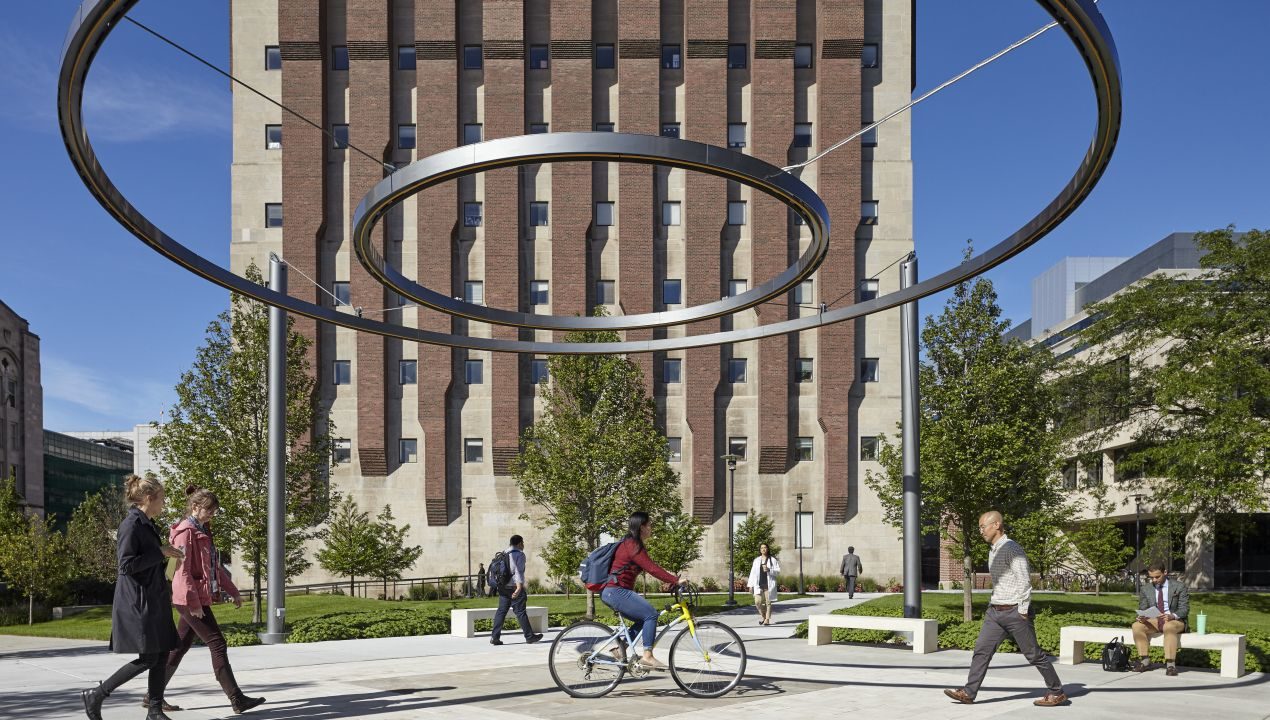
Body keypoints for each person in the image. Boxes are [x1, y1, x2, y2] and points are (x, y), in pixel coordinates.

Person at [81, 474, 184, 720]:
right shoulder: (131, 525)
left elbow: (147, 561)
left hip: (153, 598)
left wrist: (167, 559)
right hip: (138, 602)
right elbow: (126, 566)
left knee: (160, 654)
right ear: (149, 498)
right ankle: (97, 694)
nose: (164, 504)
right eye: (162, 499)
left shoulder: (147, 524)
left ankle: (155, 711)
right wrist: (160, 552)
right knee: (149, 657)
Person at [157, 486, 265, 714]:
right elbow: (181, 571)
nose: (211, 515)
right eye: (209, 510)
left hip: (195, 596)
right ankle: (237, 699)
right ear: (195, 507)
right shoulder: (186, 532)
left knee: (180, 647)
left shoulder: (202, 530)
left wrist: (233, 590)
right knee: (217, 643)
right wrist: (194, 603)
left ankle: (152, 695)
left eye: (214, 511)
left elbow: (213, 567)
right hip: (189, 598)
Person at [944, 511, 1067, 707]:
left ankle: (1057, 691)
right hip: (995, 612)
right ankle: (969, 692)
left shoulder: (1012, 549)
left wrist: (1023, 610)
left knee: (1033, 654)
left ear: (997, 525)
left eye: (983, 526)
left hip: (1014, 611)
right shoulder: (993, 549)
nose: (980, 531)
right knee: (981, 651)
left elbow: (1024, 581)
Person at [600, 512, 684, 670]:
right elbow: (651, 568)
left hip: (614, 591)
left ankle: (620, 650)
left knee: (643, 619)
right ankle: (648, 656)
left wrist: (671, 581)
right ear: (641, 527)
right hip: (616, 591)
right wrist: (675, 580)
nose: (651, 528)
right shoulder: (633, 545)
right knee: (651, 614)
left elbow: (650, 567)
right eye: (649, 525)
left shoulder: (632, 544)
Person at [1131, 562, 1189, 676]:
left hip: (1174, 621)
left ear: (1165, 572)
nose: (1154, 580)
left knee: (1169, 626)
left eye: (1157, 576)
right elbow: (1143, 608)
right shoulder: (1146, 589)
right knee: (1136, 626)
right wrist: (1142, 617)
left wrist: (1172, 616)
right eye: (1151, 577)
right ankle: (1145, 661)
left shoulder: (1179, 586)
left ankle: (1171, 665)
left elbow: (1184, 609)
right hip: (1155, 620)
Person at [489, 535, 543, 646]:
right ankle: (529, 637)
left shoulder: (503, 553)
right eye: (522, 543)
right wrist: (519, 587)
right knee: (520, 612)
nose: (523, 545)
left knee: (501, 612)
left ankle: (495, 637)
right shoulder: (519, 554)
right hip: (514, 587)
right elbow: (518, 572)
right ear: (519, 544)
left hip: (503, 587)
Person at [746, 543, 780, 625]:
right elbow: (752, 573)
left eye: (765, 547)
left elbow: (778, 572)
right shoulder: (756, 560)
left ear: (767, 549)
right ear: (760, 550)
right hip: (759, 584)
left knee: (768, 603)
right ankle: (764, 616)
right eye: (762, 548)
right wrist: (750, 585)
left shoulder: (772, 560)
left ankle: (767, 619)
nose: (763, 549)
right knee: (757, 602)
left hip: (768, 584)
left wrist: (769, 570)